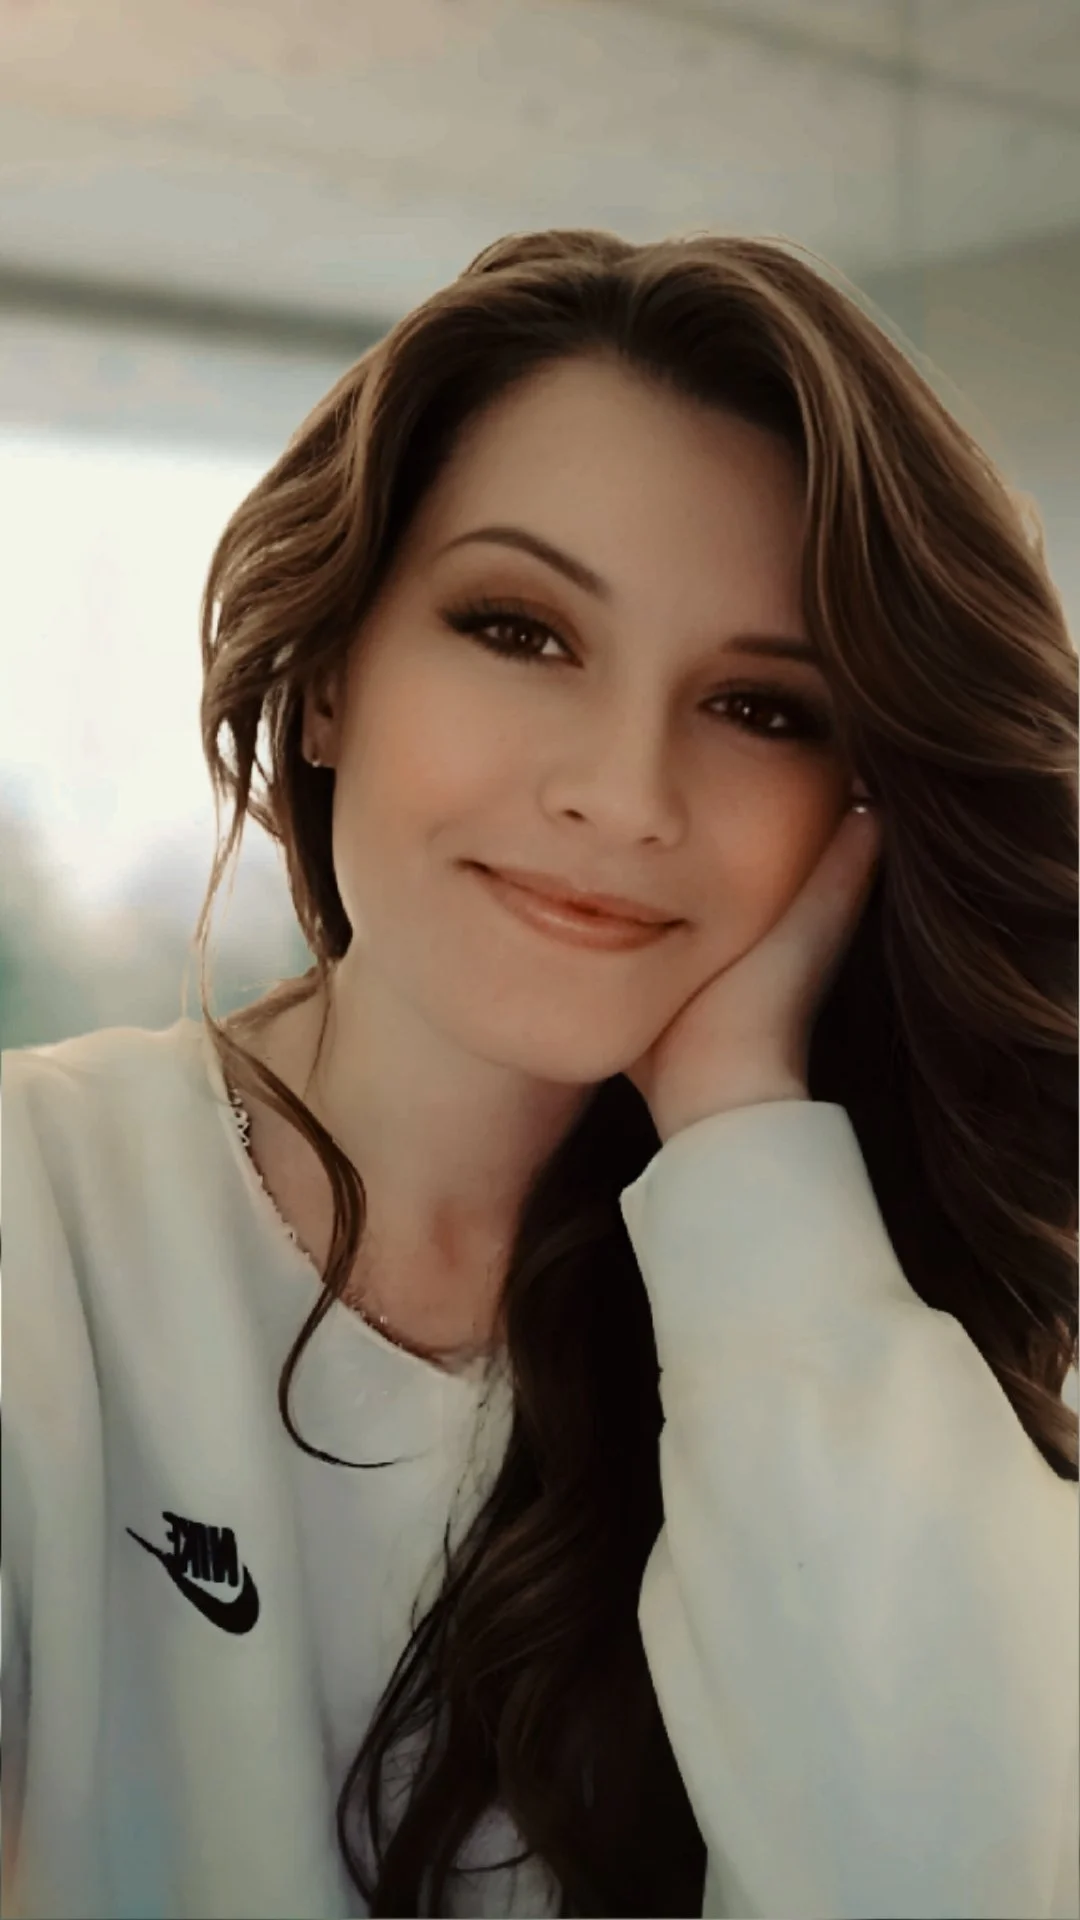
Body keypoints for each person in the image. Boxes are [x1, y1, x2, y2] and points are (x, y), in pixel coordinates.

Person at [1, 227, 1076, 1920]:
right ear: (338, 667)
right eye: (520, 628)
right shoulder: (33, 1217)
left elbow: (954, 1870)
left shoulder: (841, 1319)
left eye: (765, 710)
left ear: (862, 811)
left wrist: (741, 1119)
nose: (627, 793)